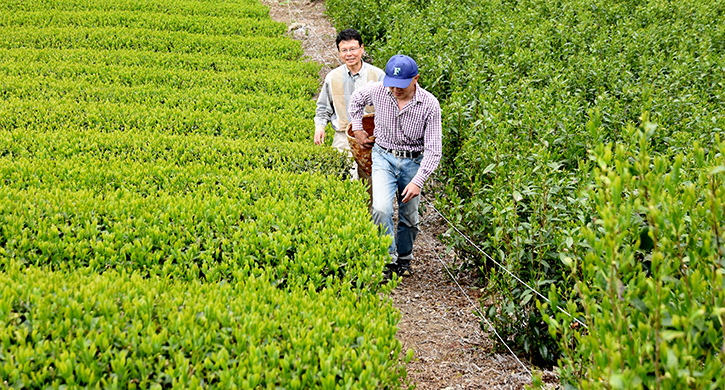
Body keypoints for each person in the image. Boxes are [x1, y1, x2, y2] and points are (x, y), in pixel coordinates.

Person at [348, 54, 442, 277]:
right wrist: (359, 129)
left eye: (401, 85)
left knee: (409, 217)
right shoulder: (380, 90)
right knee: (381, 208)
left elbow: (434, 150)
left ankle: (404, 258)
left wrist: (418, 181)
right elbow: (356, 100)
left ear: (415, 79)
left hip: (413, 161)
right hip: (383, 157)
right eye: (392, 84)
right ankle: (387, 260)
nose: (395, 90)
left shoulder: (429, 104)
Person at [314, 28, 385, 186]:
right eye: (344, 50)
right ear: (339, 52)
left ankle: (369, 211)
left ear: (362, 48)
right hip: (343, 137)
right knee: (345, 180)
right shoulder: (332, 77)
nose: (349, 54)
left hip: (371, 138)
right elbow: (323, 108)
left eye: (353, 49)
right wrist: (320, 127)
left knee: (371, 183)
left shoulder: (378, 76)